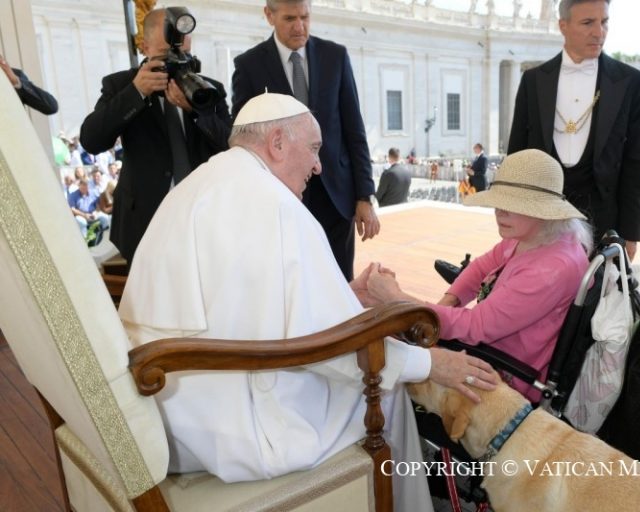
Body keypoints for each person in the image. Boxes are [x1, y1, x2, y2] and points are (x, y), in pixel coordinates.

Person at [118, 92, 497, 511]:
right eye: (314, 149)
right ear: (278, 142)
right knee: (388, 395)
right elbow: (330, 349)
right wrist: (429, 363)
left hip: (172, 407)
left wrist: (344, 295)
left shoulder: (199, 183)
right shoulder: (277, 205)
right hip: (231, 426)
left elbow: (251, 306)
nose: (318, 166)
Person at [366, 149, 592, 403]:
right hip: (499, 350)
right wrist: (448, 302)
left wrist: (397, 300)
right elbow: (481, 267)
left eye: (513, 204)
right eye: (499, 201)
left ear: (544, 210)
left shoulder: (550, 269)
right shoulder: (538, 236)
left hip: (505, 375)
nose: (499, 211)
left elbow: (475, 327)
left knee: (386, 363)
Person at [231, 0, 379, 281]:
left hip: (336, 199)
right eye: (289, 19)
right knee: (293, 283)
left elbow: (354, 131)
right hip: (281, 199)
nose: (299, 27)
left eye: (305, 17)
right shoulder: (249, 65)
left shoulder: (335, 56)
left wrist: (364, 196)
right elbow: (243, 138)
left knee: (340, 281)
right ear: (269, 15)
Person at [79, 8, 231, 265]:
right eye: (164, 55)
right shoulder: (121, 85)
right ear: (145, 47)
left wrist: (196, 111)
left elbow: (231, 146)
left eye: (183, 54)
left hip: (203, 217)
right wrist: (136, 92)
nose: (175, 63)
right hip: (144, 222)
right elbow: (91, 140)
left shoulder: (208, 89)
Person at [506, 0, 640, 261]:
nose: (599, 32)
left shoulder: (633, 83)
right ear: (563, 26)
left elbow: (637, 163)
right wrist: (512, 217)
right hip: (540, 216)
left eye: (604, 22)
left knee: (596, 287)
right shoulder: (533, 80)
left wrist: (630, 233)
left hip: (605, 220)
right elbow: (518, 154)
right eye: (588, 23)